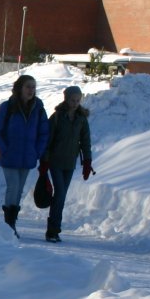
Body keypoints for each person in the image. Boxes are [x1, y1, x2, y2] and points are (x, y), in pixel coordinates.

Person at [0, 74, 49, 235]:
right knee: (13, 187)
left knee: (19, 189)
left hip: (28, 156)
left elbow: (44, 133)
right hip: (10, 156)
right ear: (20, 88)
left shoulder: (38, 108)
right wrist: (4, 149)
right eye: (28, 86)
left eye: (33, 87)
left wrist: (37, 151)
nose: (31, 90)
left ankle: (12, 223)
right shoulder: (7, 107)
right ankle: (9, 225)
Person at [40, 85, 94, 243]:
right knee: (60, 194)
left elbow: (85, 141)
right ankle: (53, 230)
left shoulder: (81, 119)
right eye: (73, 100)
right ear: (66, 99)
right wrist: (44, 160)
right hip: (55, 161)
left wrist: (87, 161)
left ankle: (53, 230)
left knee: (61, 196)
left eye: (78, 100)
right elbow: (48, 141)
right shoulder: (57, 117)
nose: (75, 103)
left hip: (70, 163)